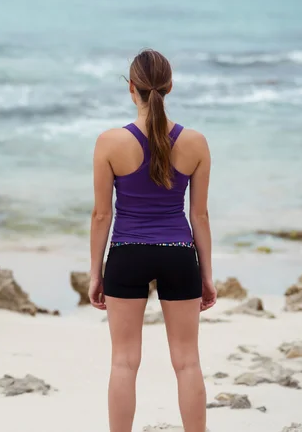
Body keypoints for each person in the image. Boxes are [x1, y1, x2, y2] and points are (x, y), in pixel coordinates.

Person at [89, 49, 216, 432]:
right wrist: (206, 274)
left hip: (127, 255)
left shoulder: (109, 142)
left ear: (132, 89)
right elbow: (200, 216)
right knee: (187, 362)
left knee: (124, 362)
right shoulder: (195, 142)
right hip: (179, 254)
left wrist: (95, 273)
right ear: (170, 86)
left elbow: (101, 216)